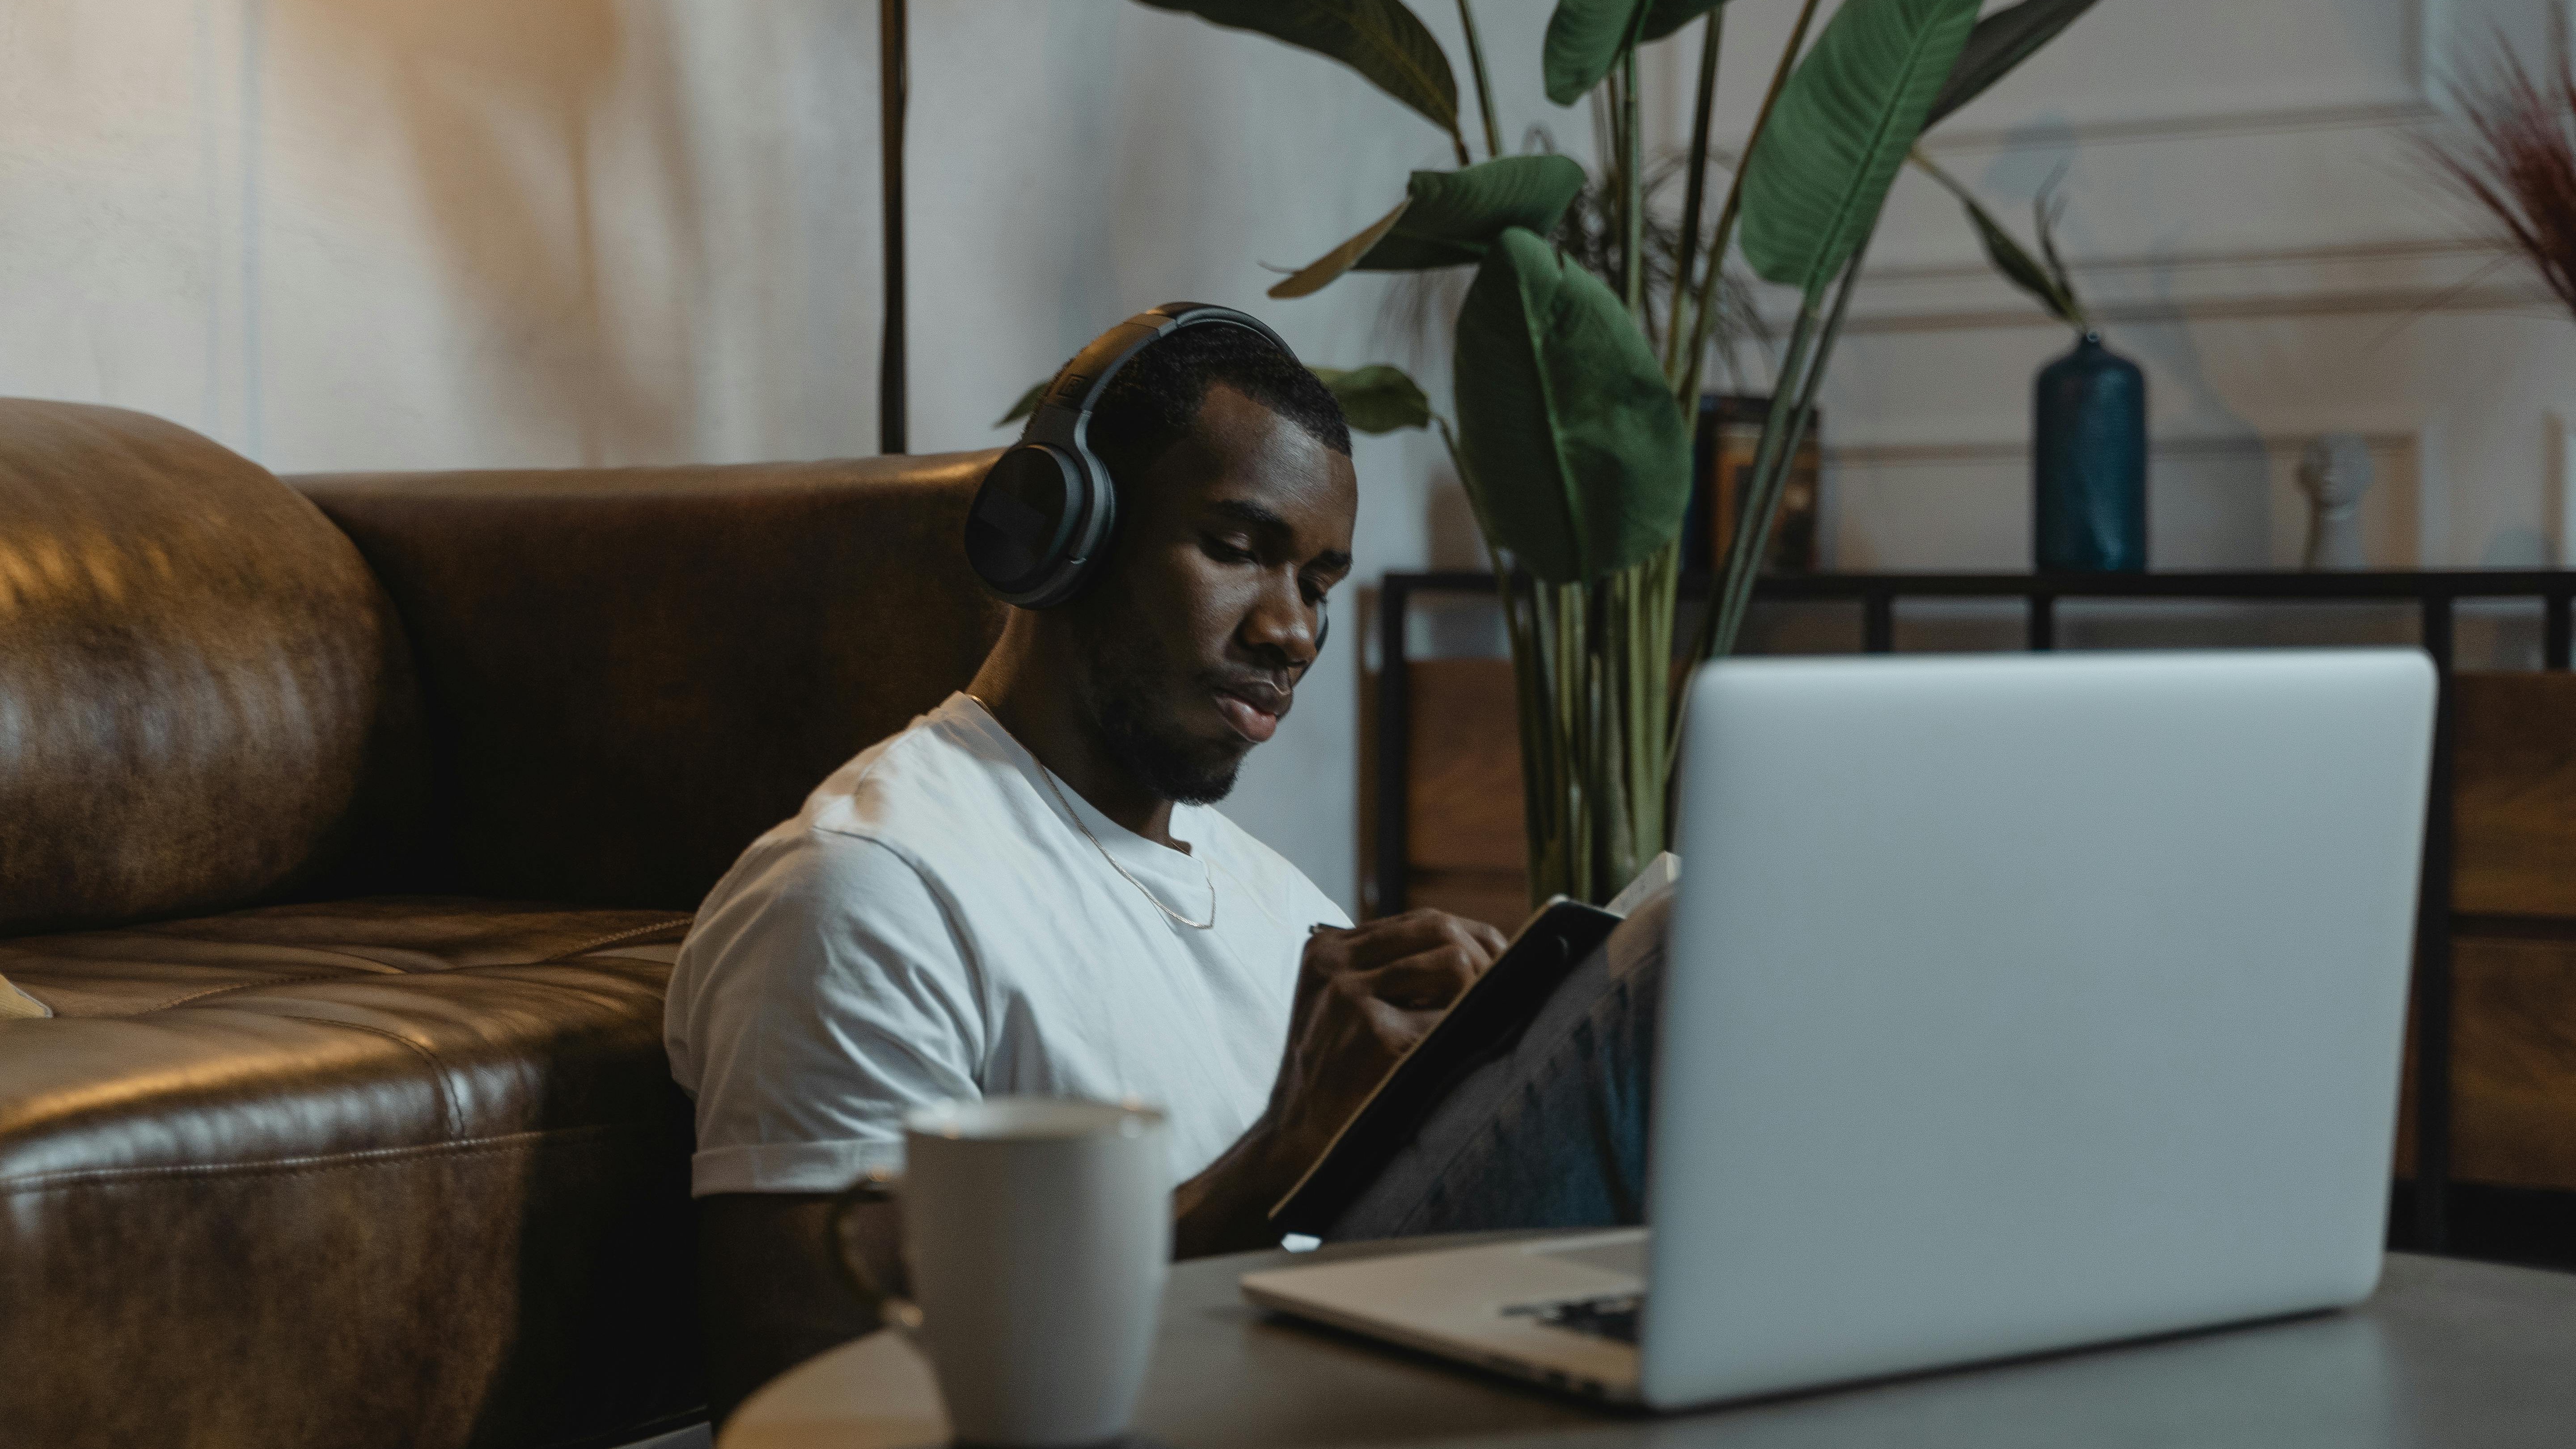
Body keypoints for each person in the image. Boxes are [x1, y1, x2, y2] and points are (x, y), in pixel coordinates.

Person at [667, 319, 1662, 1417]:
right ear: (1062, 534)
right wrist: (1283, 1153)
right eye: (1237, 548)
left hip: (1370, 1401)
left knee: (1641, 980)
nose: (1292, 631)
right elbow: (818, 1400)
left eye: (1320, 584)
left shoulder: (1282, 902)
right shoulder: (864, 888)